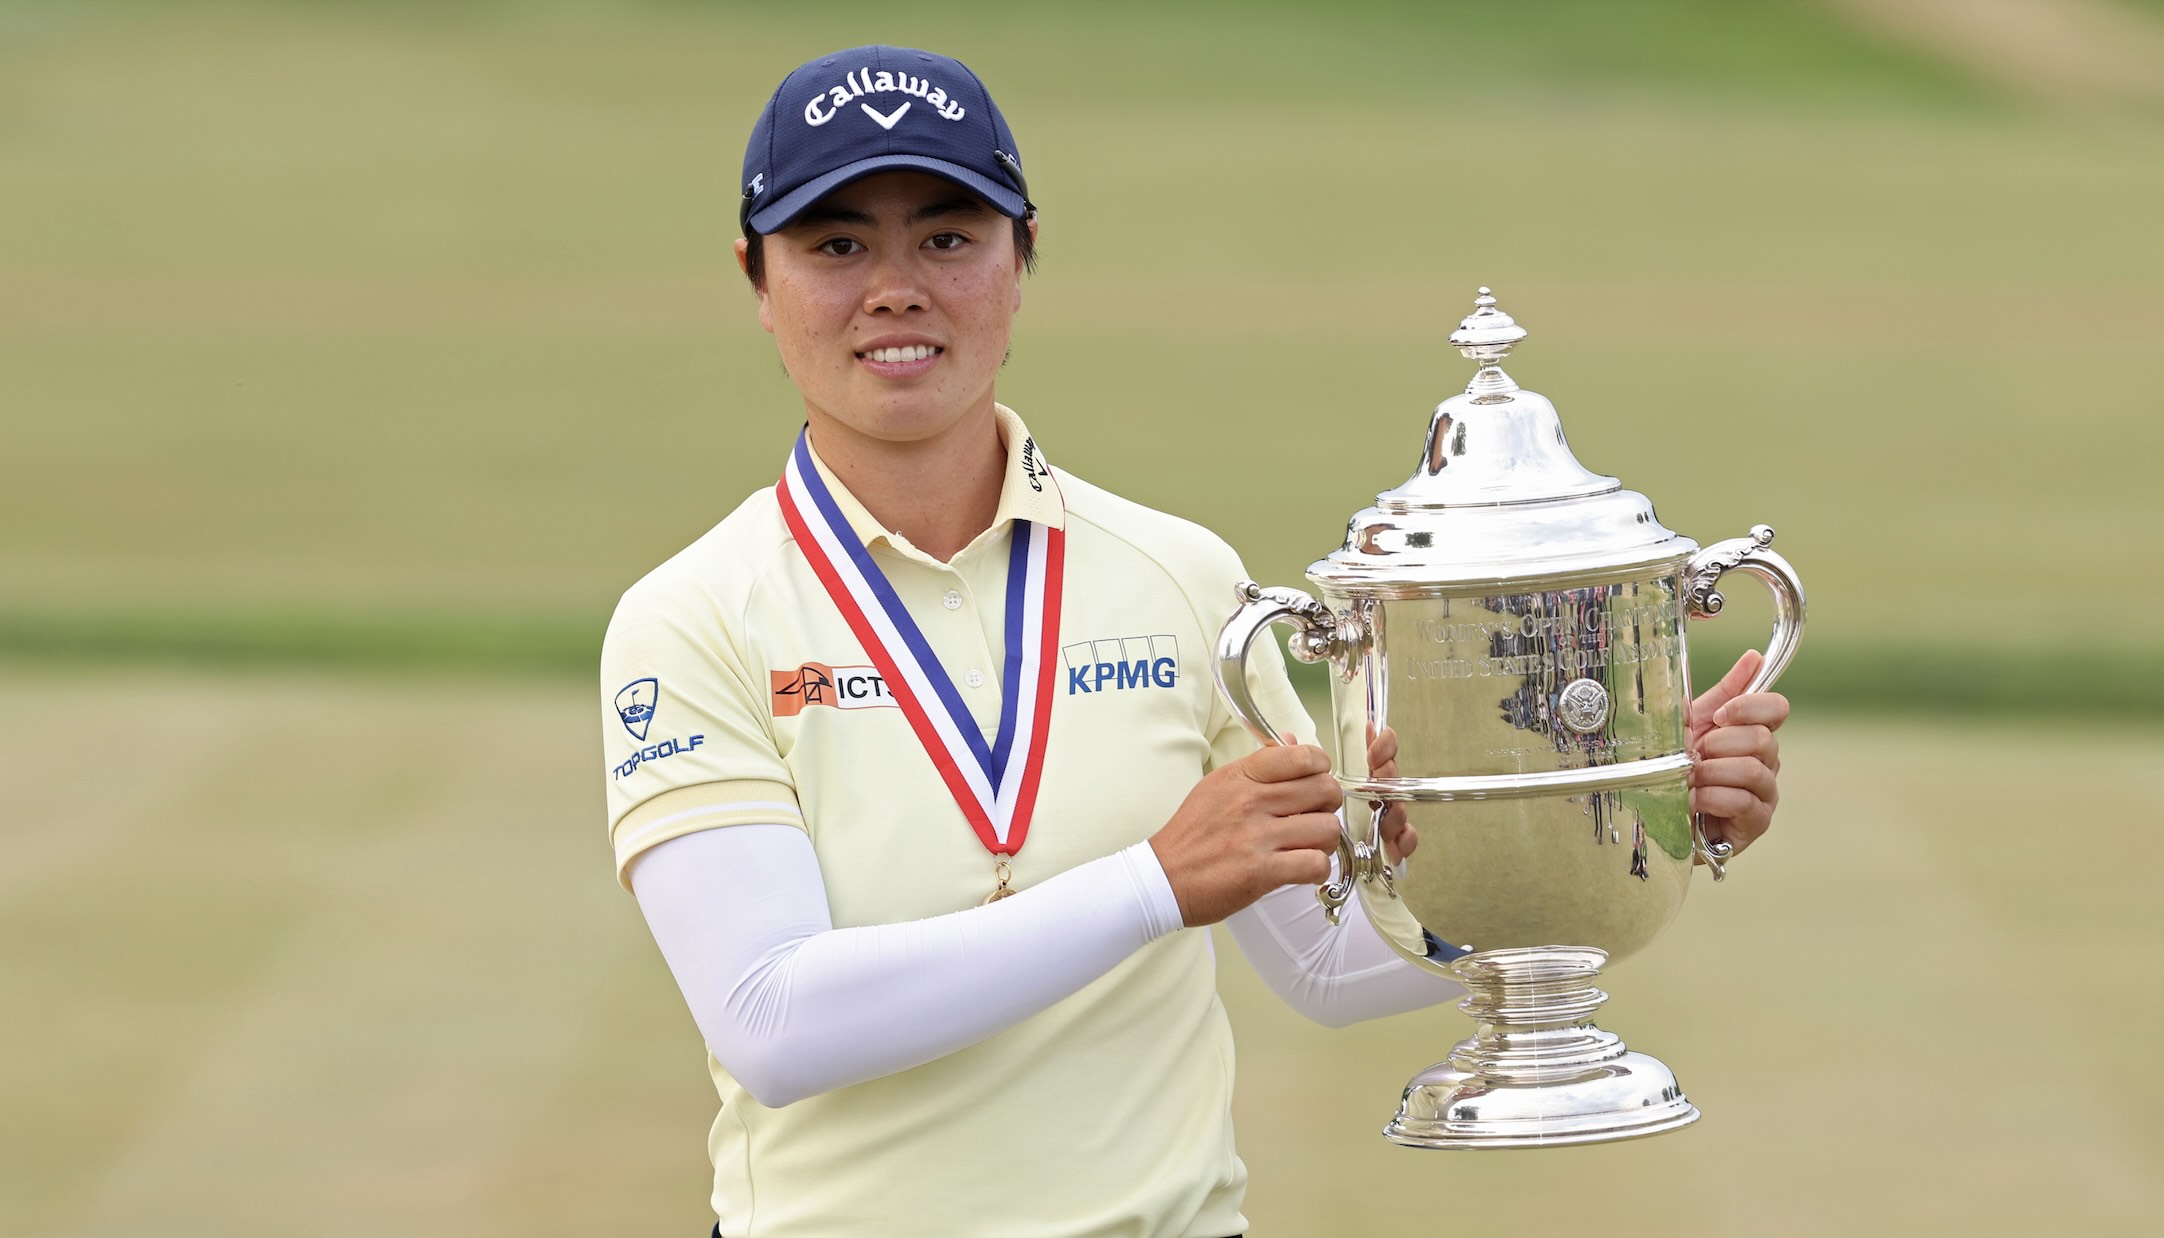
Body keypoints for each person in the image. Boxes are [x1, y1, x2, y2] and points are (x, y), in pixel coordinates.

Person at [599, 45, 1789, 1238]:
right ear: (758, 278)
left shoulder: (1179, 574)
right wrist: (1151, 882)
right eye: (837, 243)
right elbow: (773, 1021)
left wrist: (1600, 817)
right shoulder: (693, 615)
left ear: (1021, 263)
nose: (897, 287)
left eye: (949, 237)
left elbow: (1324, 966)